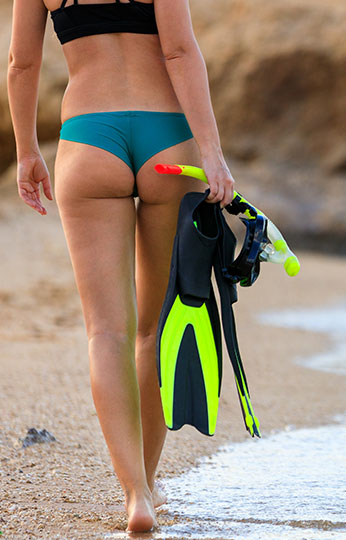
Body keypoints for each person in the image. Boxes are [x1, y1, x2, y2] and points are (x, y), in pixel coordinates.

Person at [7, 0, 237, 532]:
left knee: (105, 333)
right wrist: (212, 152)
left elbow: (22, 63)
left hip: (90, 139)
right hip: (167, 143)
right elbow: (179, 50)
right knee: (152, 328)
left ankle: (133, 494)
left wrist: (26, 151)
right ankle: (150, 486)